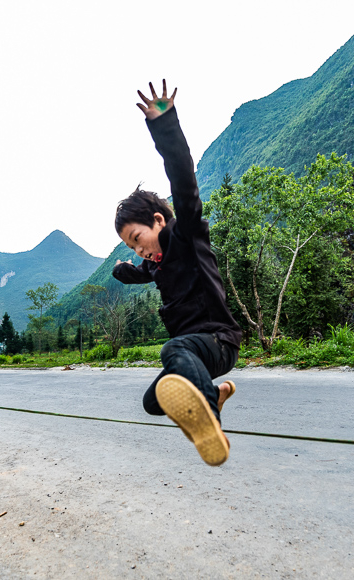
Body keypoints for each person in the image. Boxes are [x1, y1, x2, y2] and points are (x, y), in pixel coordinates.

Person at [112, 80, 242, 466]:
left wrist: (164, 123)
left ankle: (211, 422)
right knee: (154, 400)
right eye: (132, 247)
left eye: (139, 239)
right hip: (197, 354)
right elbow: (142, 273)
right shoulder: (157, 265)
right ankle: (212, 395)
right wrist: (123, 269)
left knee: (173, 349)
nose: (140, 250)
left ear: (157, 220)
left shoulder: (185, 234)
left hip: (217, 341)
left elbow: (183, 181)